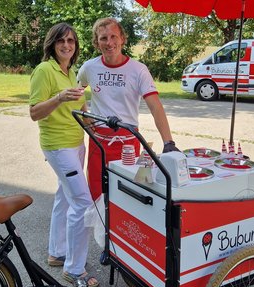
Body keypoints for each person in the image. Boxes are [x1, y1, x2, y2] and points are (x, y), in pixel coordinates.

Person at [77, 17, 180, 201]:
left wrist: (168, 142)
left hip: (128, 143)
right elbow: (76, 93)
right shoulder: (89, 67)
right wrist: (86, 115)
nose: (109, 43)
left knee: (127, 196)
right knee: (96, 195)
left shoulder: (138, 70)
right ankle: (100, 230)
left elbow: (155, 106)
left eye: (113, 36)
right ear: (96, 42)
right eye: (103, 38)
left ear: (122, 38)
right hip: (98, 142)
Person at [29, 22, 98, 287]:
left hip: (76, 143)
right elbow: (34, 112)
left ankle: (57, 253)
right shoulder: (44, 70)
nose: (66, 45)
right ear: (52, 44)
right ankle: (74, 269)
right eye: (61, 41)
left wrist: (97, 131)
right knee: (83, 203)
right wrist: (58, 98)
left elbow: (81, 108)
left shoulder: (73, 73)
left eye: (71, 41)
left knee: (64, 197)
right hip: (58, 146)